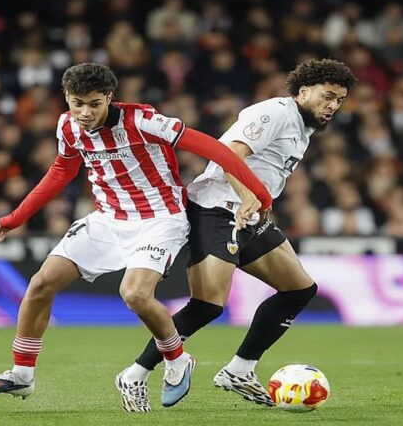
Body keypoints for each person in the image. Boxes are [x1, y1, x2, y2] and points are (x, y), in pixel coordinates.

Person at [0, 63, 272, 410]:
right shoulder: (68, 125)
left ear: (109, 98)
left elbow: (216, 150)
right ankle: (22, 375)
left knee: (135, 294)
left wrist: (258, 193)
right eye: (77, 103)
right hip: (108, 219)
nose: (84, 112)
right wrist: (14, 218)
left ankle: (177, 360)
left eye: (94, 104)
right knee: (40, 284)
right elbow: (61, 170)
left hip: (160, 219)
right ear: (66, 98)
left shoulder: (143, 121)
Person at [114, 59, 356, 411]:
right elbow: (229, 153)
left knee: (299, 290)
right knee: (207, 305)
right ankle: (135, 374)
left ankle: (239, 370)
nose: (333, 105)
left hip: (248, 215)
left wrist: (253, 202)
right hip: (216, 208)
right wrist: (246, 196)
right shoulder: (275, 112)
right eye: (328, 96)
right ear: (304, 91)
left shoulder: (303, 127)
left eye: (339, 100)